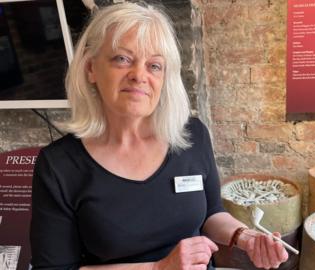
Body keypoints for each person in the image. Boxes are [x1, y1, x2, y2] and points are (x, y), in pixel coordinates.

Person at [29, 2, 289, 270]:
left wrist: (245, 237)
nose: (139, 75)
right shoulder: (59, 165)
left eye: (154, 65)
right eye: (122, 58)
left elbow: (211, 213)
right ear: (90, 68)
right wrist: (158, 268)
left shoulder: (191, 136)